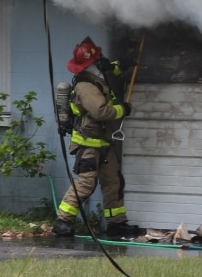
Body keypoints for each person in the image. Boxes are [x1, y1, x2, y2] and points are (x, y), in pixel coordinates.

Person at [51, 37, 141, 238]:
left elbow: (109, 70)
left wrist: (122, 64)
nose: (102, 60)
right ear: (91, 63)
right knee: (86, 183)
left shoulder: (97, 75)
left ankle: (116, 223)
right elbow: (100, 112)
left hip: (103, 142)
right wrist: (123, 109)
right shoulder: (86, 86)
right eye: (98, 58)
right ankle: (62, 221)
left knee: (113, 182)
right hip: (87, 144)